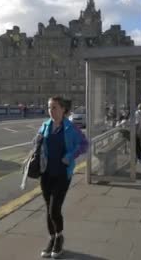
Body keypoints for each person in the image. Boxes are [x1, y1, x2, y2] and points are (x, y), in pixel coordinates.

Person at [36, 96, 83, 258]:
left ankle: (59, 237)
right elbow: (37, 145)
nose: (51, 111)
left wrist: (70, 156)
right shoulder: (45, 126)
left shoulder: (71, 128)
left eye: (54, 107)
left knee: (54, 209)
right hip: (46, 174)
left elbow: (84, 144)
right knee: (48, 208)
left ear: (63, 109)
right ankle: (52, 238)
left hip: (63, 174)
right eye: (49, 108)